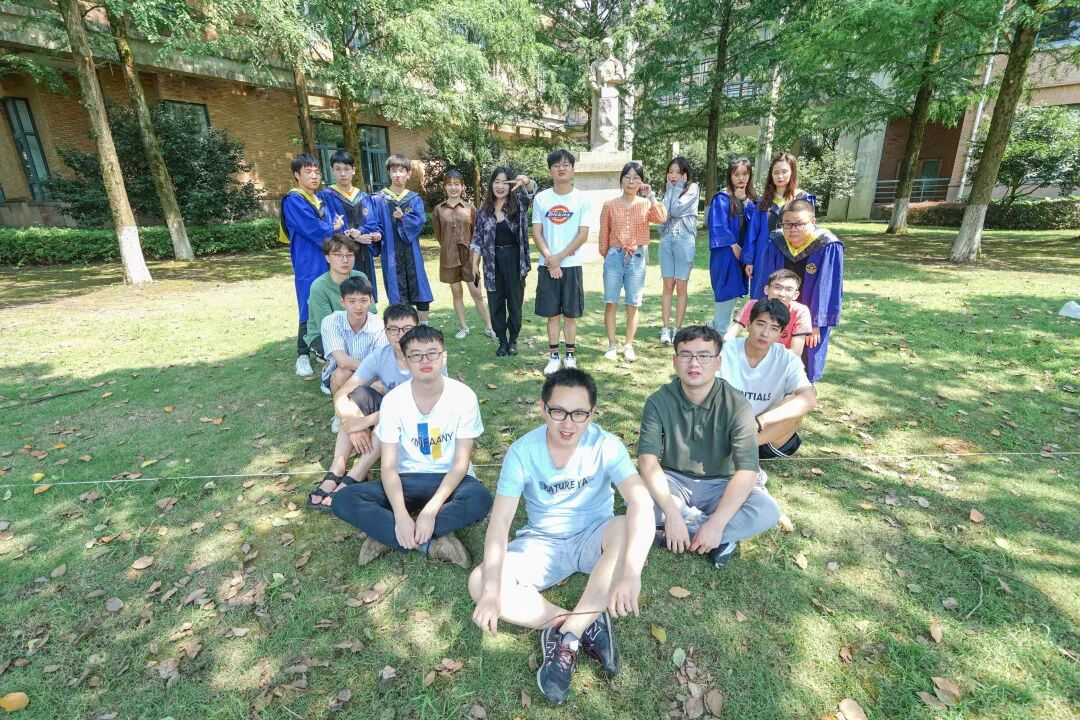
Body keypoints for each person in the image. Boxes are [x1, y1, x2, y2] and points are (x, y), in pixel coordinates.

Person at [468, 368, 654, 705]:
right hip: (542, 544)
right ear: (543, 408)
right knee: (480, 582)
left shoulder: (606, 445)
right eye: (559, 412)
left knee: (627, 526)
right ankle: (585, 623)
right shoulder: (523, 452)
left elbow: (641, 502)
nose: (568, 424)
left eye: (579, 414)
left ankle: (568, 637)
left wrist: (631, 572)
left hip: (594, 537)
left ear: (592, 413)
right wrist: (493, 591)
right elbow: (500, 523)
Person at [331, 326, 492, 567]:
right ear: (406, 362)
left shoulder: (464, 397)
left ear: (443, 357)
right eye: (416, 355)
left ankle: (387, 535)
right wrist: (400, 515)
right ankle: (430, 544)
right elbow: (388, 467)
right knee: (344, 499)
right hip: (406, 479)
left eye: (432, 353)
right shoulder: (394, 401)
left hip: (450, 479)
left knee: (480, 498)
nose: (425, 361)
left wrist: (430, 511)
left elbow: (460, 464)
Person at [637, 326, 780, 569]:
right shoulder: (658, 401)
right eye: (686, 355)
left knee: (767, 510)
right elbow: (647, 461)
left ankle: (686, 532)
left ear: (718, 362)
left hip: (722, 484)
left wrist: (717, 523)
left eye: (704, 356)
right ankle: (717, 537)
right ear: (675, 361)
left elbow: (747, 470)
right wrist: (671, 512)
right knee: (636, 497)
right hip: (674, 482)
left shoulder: (736, 404)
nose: (694, 363)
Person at [308, 304, 447, 509]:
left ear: (417, 328)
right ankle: (337, 468)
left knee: (389, 418)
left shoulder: (428, 358)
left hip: (422, 425)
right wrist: (351, 423)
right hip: (389, 413)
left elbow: (424, 407)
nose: (400, 335)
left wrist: (366, 421)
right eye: (394, 329)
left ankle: (357, 473)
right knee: (358, 397)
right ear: (385, 331)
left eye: (407, 329)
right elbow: (342, 394)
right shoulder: (381, 356)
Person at [752, 200, 844, 382]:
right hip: (778, 309)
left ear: (813, 222)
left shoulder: (828, 245)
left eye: (799, 224)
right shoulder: (776, 241)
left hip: (810, 312)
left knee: (807, 353)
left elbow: (827, 288)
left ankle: (804, 386)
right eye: (787, 224)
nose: (792, 229)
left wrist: (816, 324)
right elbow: (765, 278)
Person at [720, 299, 817, 459]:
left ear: (780, 333)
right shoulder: (724, 352)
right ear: (749, 324)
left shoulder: (787, 359)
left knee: (795, 400)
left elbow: (809, 399)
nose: (765, 333)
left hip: (765, 435)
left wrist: (760, 421)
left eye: (774, 328)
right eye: (760, 324)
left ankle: (737, 449)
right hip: (724, 430)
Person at [280, 153, 344, 377]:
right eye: (308, 172)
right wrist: (332, 228)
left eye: (316, 171)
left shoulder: (320, 200)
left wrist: (336, 227)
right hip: (308, 259)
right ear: (297, 175)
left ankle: (326, 349)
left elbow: (335, 222)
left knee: (330, 301)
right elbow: (311, 227)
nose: (314, 176)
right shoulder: (293, 200)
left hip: (328, 258)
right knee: (308, 304)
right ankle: (302, 355)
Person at [598, 161, 667, 362]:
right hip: (614, 256)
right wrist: (607, 254)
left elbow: (661, 218)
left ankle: (628, 345)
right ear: (621, 180)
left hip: (637, 257)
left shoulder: (645, 204)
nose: (631, 181)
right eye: (627, 177)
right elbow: (604, 233)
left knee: (633, 303)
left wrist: (651, 195)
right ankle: (612, 345)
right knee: (611, 301)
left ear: (641, 181)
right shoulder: (609, 205)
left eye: (636, 178)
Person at [532, 149, 592, 375]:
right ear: (550, 170)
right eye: (556, 165)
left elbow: (582, 235)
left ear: (573, 169)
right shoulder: (541, 198)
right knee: (552, 314)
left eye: (566, 164)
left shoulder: (581, 199)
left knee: (570, 315)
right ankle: (554, 356)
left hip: (571, 265)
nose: (561, 168)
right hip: (547, 265)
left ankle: (570, 356)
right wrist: (551, 259)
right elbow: (537, 232)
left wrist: (558, 258)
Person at [470, 167, 537, 357]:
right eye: (496, 181)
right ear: (491, 184)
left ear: (510, 185)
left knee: (515, 302)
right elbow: (477, 240)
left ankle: (513, 340)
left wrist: (526, 181)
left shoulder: (519, 204)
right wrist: (474, 264)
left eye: (504, 182)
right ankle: (502, 341)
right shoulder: (484, 211)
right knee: (495, 302)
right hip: (492, 262)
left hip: (514, 260)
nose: (500, 186)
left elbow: (531, 192)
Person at [433, 169, 496, 341]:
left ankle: (489, 327)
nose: (453, 187)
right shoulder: (438, 210)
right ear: (445, 187)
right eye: (449, 184)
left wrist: (474, 258)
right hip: (449, 258)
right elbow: (439, 235)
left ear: (462, 187)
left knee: (477, 293)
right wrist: (449, 247)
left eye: (456, 184)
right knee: (457, 293)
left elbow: (476, 235)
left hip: (469, 258)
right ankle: (463, 327)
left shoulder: (470, 209)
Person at [370, 154, 434, 322]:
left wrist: (403, 218)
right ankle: (403, 329)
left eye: (401, 170)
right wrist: (376, 234)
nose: (398, 174)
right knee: (397, 294)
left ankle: (423, 328)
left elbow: (419, 222)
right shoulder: (378, 199)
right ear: (388, 173)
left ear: (408, 173)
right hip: (391, 253)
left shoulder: (414, 199)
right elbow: (374, 223)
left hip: (412, 252)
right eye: (393, 171)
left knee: (420, 291)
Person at [744, 152, 815, 299]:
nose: (780, 176)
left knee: (787, 292)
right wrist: (749, 260)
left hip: (793, 253)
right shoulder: (763, 202)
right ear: (771, 175)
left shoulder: (803, 199)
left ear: (792, 172)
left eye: (784, 172)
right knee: (763, 292)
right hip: (764, 254)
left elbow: (809, 231)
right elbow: (753, 232)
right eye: (776, 172)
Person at [318, 150, 382, 301]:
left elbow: (372, 221)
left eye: (346, 169)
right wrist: (355, 237)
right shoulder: (326, 196)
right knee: (344, 293)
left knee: (365, 288)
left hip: (363, 252)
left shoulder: (363, 196)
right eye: (338, 169)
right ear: (332, 170)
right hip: (341, 252)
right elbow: (330, 224)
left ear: (353, 170)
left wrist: (364, 233)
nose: (343, 174)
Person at [304, 235, 372, 371]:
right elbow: (327, 326)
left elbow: (371, 313)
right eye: (338, 255)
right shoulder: (319, 287)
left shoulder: (360, 277)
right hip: (324, 334)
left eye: (349, 255)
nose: (345, 260)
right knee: (345, 364)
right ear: (327, 258)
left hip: (358, 328)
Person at [706, 158, 755, 332]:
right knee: (726, 291)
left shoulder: (749, 198)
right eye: (736, 174)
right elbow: (718, 226)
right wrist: (734, 246)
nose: (741, 178)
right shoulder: (722, 198)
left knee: (733, 294)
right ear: (730, 176)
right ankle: (719, 331)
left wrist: (745, 200)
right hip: (726, 254)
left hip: (742, 255)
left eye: (745, 174)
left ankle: (715, 327)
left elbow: (757, 222)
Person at [319, 275, 386, 399]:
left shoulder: (379, 326)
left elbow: (379, 363)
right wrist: (373, 369)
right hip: (340, 371)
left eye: (363, 300)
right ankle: (340, 409)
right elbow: (342, 361)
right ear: (342, 302)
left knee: (379, 385)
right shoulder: (331, 321)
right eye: (352, 301)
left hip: (371, 374)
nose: (358, 307)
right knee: (342, 374)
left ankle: (364, 407)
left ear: (371, 300)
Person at [656, 157, 700, 346]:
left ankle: (678, 329)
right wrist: (670, 191)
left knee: (681, 286)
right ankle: (665, 328)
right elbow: (661, 215)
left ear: (685, 174)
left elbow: (674, 210)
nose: (673, 176)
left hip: (684, 239)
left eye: (678, 172)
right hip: (666, 239)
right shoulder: (666, 189)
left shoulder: (693, 188)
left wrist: (675, 188)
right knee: (667, 285)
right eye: (670, 172)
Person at [724, 268, 811, 357]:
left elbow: (796, 352)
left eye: (788, 289)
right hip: (751, 357)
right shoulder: (753, 305)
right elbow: (729, 335)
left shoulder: (800, 311)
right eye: (777, 287)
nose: (781, 294)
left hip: (781, 360)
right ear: (766, 289)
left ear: (795, 295)